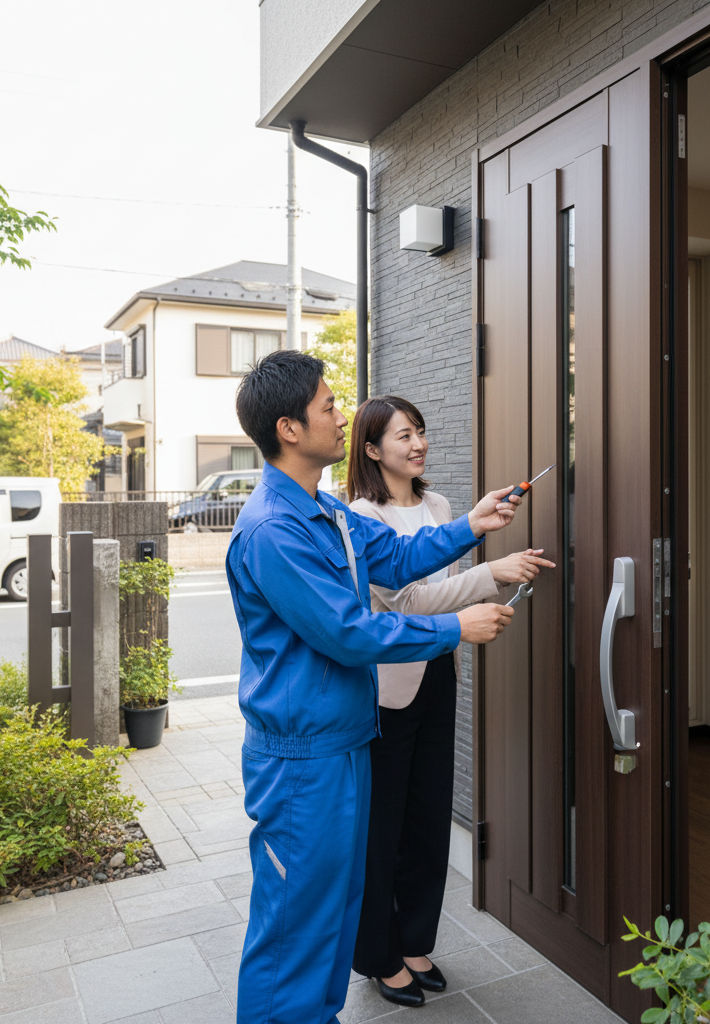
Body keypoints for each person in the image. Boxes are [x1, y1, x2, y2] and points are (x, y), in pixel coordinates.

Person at [226, 350, 521, 1024]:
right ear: (289, 429)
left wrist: (471, 525)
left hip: (344, 740)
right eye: (328, 406)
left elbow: (397, 555)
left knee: (331, 914)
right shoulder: (276, 528)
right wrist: (454, 628)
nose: (340, 414)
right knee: (295, 927)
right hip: (303, 760)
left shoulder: (323, 511)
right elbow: (348, 632)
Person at [346, 395, 554, 1006]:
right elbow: (405, 602)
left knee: (429, 816)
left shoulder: (436, 506)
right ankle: (380, 956)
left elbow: (437, 591)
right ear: (371, 449)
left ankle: (413, 941)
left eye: (421, 432)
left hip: (438, 671)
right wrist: (496, 572)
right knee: (383, 827)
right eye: (403, 435)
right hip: (389, 688)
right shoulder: (361, 515)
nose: (418, 444)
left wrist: (487, 555)